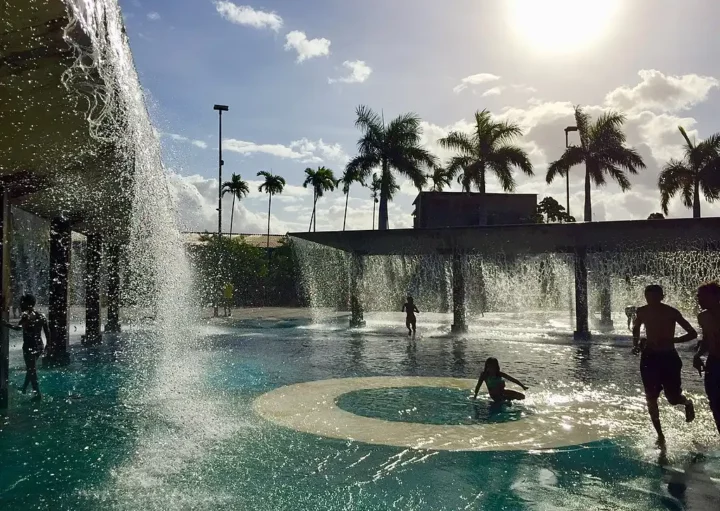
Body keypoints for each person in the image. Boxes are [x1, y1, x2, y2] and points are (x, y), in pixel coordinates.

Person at [632, 284, 697, 445]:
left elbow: (693, 333)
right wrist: (636, 343)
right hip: (649, 358)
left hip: (669, 357)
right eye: (648, 297)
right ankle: (660, 435)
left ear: (662, 297)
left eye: (655, 297)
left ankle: (687, 403)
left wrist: (672, 340)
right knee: (651, 397)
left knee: (672, 398)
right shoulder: (642, 311)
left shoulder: (671, 312)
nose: (651, 301)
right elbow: (636, 327)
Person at [2, 294, 50, 400]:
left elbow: (19, 328)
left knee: (31, 370)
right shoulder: (41, 316)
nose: (20, 305)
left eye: (22, 303)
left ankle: (37, 394)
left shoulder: (25, 316)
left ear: (29, 304)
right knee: (31, 368)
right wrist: (48, 345)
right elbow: (47, 331)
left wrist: (5, 324)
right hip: (39, 346)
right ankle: (24, 388)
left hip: (29, 347)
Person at [693, 282, 720, 435]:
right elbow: (707, 340)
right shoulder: (702, 317)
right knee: (714, 403)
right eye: (698, 297)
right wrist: (698, 355)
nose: (699, 300)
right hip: (713, 362)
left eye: (703, 297)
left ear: (717, 297)